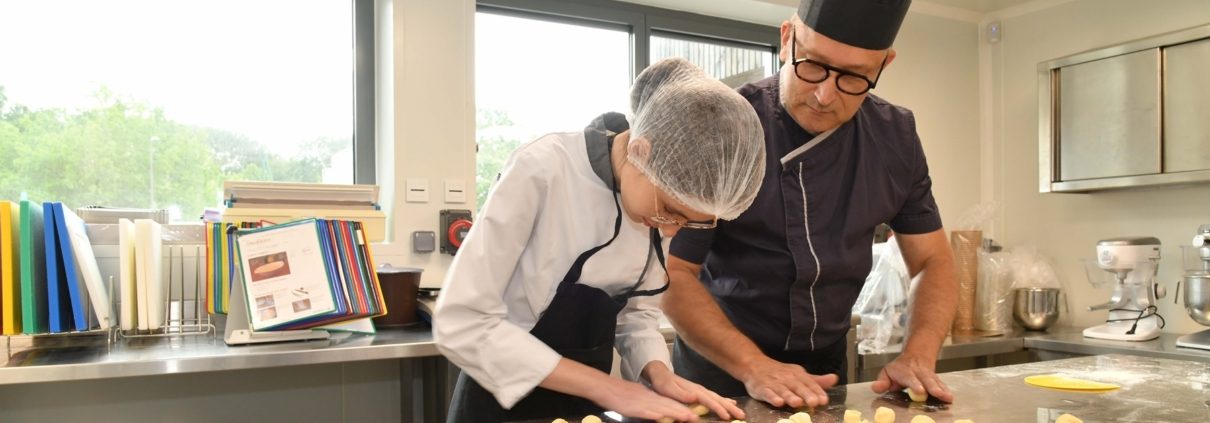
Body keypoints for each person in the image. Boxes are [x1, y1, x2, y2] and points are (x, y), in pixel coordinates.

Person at [662, 0, 959, 410]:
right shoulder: (726, 128)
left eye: (854, 77)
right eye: (813, 65)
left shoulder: (896, 140)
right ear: (787, 40)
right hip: (721, 373)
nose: (824, 95)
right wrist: (753, 366)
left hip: (826, 375)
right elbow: (674, 275)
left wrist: (918, 356)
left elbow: (934, 261)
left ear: (883, 66)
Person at [433, 58, 767, 422]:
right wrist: (609, 388)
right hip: (498, 404)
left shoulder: (656, 203)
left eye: (689, 223)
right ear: (641, 153)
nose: (671, 230)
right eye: (671, 211)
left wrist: (658, 373)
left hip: (583, 406)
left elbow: (635, 316)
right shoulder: (544, 170)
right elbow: (463, 321)